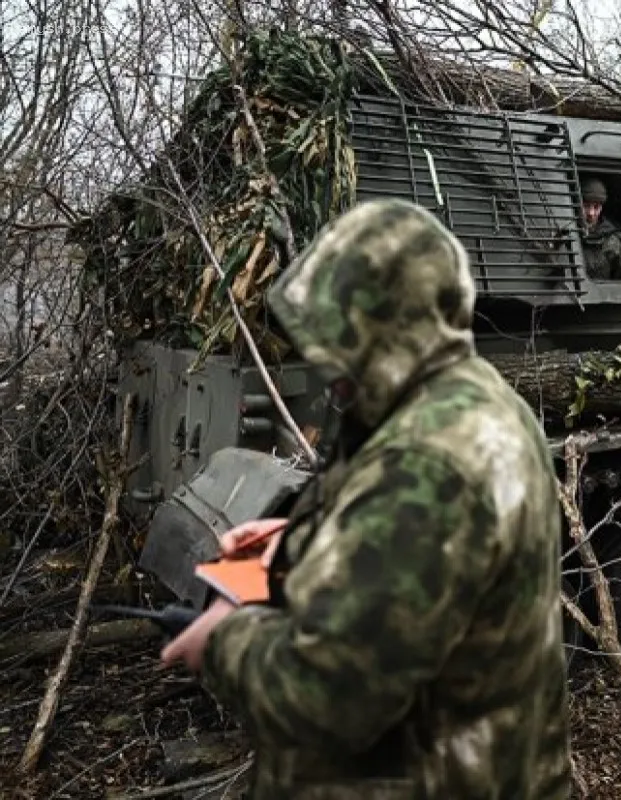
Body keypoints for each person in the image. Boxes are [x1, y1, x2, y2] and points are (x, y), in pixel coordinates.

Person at [161, 198, 572, 799]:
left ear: (388, 329)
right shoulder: (462, 399)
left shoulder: (430, 459)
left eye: (339, 336)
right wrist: (296, 540)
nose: (324, 361)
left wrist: (220, 640)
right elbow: (408, 554)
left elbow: (328, 698)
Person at [579, 176, 621, 280]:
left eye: (596, 207)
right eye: (586, 206)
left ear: (602, 207)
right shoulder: (565, 233)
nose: (591, 213)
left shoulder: (614, 240)